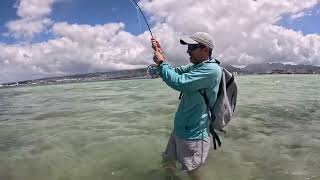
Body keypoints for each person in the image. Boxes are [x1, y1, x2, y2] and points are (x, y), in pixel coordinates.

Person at [151, 32, 222, 180]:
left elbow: (178, 82)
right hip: (180, 130)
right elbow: (172, 73)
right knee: (167, 162)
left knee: (193, 173)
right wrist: (161, 54)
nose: (188, 50)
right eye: (188, 47)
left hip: (194, 135)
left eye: (192, 47)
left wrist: (161, 63)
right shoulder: (195, 67)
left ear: (205, 49)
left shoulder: (211, 70)